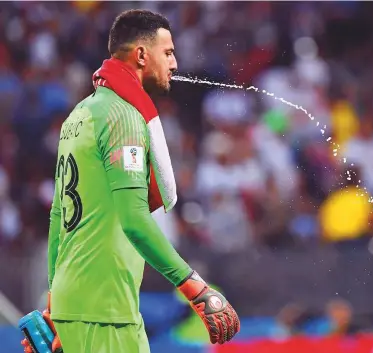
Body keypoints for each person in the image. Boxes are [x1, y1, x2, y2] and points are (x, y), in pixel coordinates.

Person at [21, 9, 239, 353]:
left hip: (79, 307)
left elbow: (57, 220)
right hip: (105, 311)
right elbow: (135, 220)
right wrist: (195, 287)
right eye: (167, 52)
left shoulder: (79, 114)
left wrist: (55, 309)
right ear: (141, 54)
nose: (175, 63)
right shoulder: (122, 116)